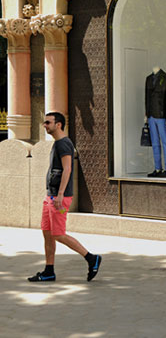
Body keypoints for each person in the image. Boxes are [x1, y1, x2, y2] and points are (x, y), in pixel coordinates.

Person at [28, 112, 102, 283]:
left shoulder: (64, 144)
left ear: (58, 124)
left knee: (58, 234)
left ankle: (91, 258)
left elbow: (67, 169)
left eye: (48, 122)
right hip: (51, 196)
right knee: (47, 233)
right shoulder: (58, 143)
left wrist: (60, 194)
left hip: (58, 197)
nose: (44, 125)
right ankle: (49, 271)